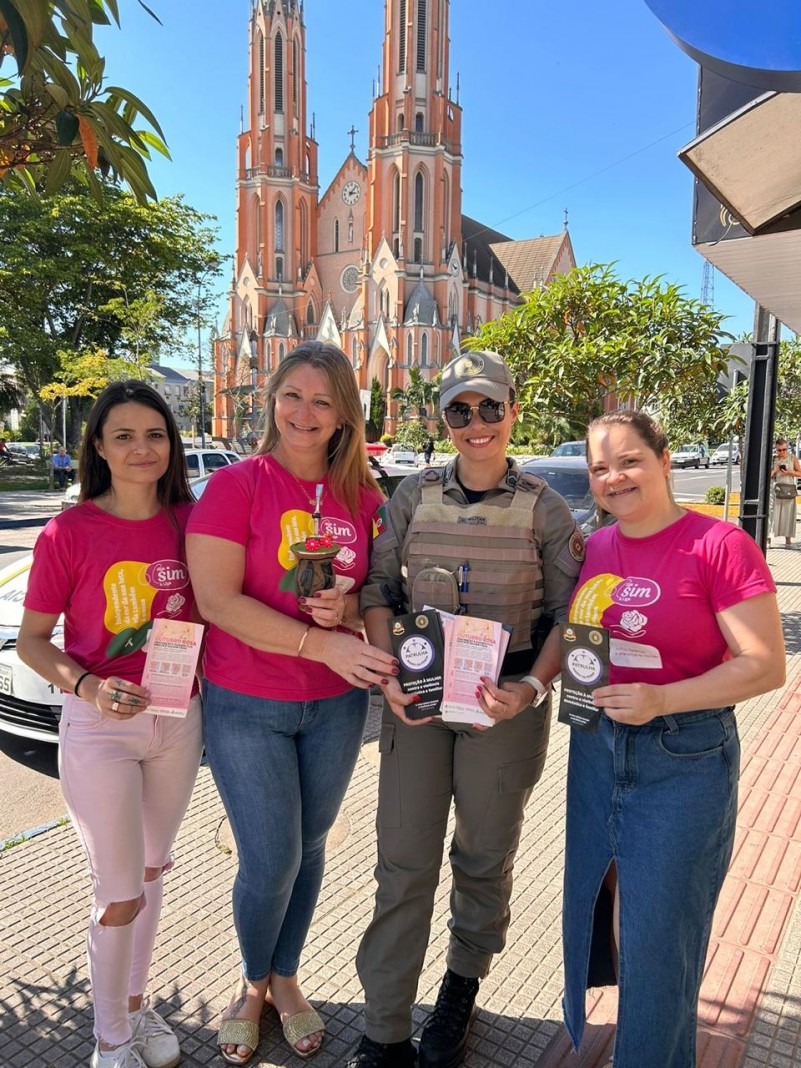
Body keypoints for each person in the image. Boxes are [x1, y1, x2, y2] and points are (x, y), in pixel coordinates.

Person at [348, 350, 585, 1068]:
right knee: (403, 861)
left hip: (502, 707)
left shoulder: (544, 507)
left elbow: (565, 618)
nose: (475, 424)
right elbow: (377, 593)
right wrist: (389, 675)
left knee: (483, 856)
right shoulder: (413, 495)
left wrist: (533, 689)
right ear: (442, 417)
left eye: (489, 408)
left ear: (512, 409)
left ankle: (460, 986)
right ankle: (384, 1026)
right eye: (459, 409)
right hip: (416, 703)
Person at [185, 341, 398, 1066]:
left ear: (343, 415)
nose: (302, 413)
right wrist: (320, 646)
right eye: (291, 395)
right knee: (270, 857)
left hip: (336, 707)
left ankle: (285, 976)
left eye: (321, 401)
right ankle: (250, 984)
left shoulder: (365, 501)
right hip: (246, 701)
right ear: (271, 398)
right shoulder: (237, 485)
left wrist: (350, 613)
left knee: (308, 849)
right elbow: (216, 600)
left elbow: (376, 595)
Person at [562, 410, 785, 1068]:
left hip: (682, 757)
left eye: (628, 460)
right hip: (596, 749)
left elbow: (764, 664)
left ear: (664, 461)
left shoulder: (718, 545)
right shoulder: (596, 546)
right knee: (602, 915)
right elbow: (579, 641)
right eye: (599, 468)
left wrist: (664, 699)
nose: (613, 477)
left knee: (660, 939)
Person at [17, 381, 203, 1068]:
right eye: (123, 435)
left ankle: (132, 1004)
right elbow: (35, 641)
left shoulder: (192, 521)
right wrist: (89, 686)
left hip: (178, 721)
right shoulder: (68, 532)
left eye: (154, 434)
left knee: (152, 873)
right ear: (97, 446)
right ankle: (109, 1043)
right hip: (100, 729)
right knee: (119, 892)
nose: (141, 448)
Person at [770, 436, 801, 547]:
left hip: (788, 489)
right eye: (779, 450)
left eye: (784, 449)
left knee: (788, 514)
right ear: (775, 449)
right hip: (776, 490)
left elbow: (800, 473)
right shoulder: (773, 459)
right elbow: (767, 475)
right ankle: (769, 540)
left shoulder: (793, 458)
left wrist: (790, 472)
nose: (782, 452)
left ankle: (788, 541)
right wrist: (776, 470)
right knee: (773, 513)